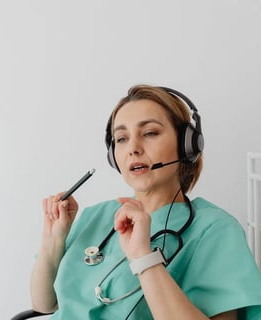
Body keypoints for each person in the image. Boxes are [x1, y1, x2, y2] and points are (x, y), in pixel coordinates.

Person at [30, 84, 261, 319]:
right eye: (121, 138)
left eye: (150, 133)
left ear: (187, 144)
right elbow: (44, 304)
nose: (133, 148)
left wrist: (143, 257)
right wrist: (53, 238)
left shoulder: (215, 230)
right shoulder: (95, 216)